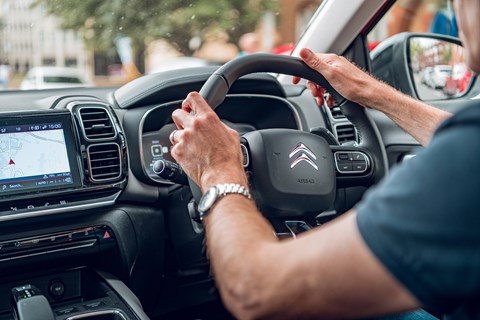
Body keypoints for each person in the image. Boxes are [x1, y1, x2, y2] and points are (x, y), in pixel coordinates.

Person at [169, 0, 480, 318]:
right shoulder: (470, 145)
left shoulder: (468, 159)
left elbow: (255, 292)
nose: (457, 6)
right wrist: (368, 90)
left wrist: (218, 167)